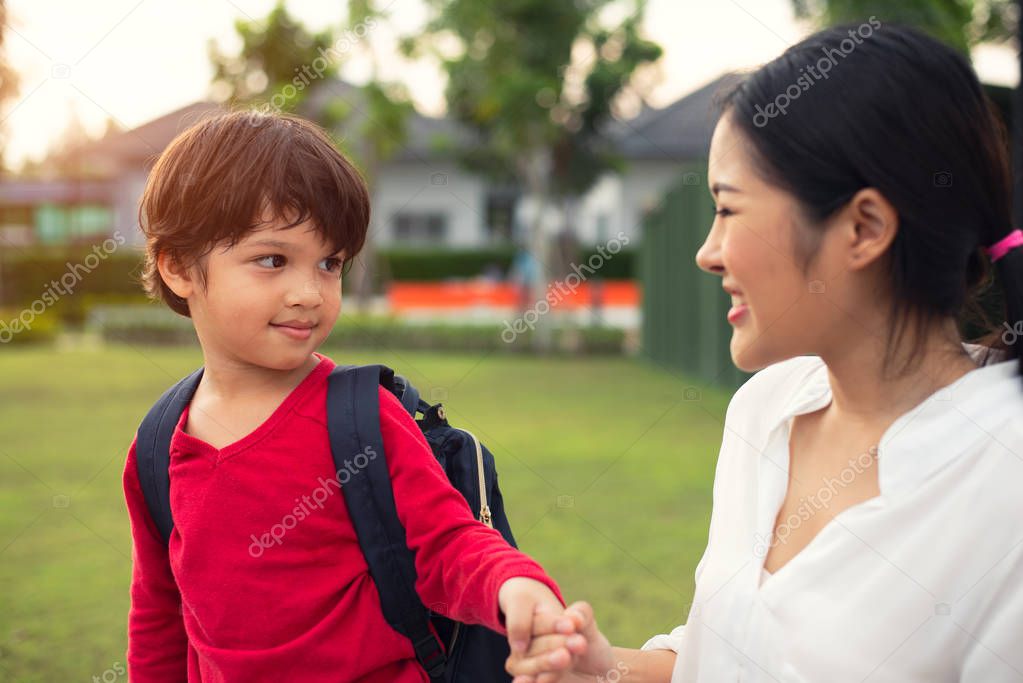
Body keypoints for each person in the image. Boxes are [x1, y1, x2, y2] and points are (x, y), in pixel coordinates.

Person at [508, 22, 1023, 682]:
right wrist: (603, 670)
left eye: (728, 209)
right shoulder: (764, 410)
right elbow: (720, 655)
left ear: (862, 228)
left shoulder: (1000, 482)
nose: (706, 251)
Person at [121, 110, 572, 681]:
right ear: (179, 266)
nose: (309, 292)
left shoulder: (362, 418)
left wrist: (515, 583)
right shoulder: (158, 447)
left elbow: (449, 543)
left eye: (329, 263)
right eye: (272, 260)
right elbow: (160, 615)